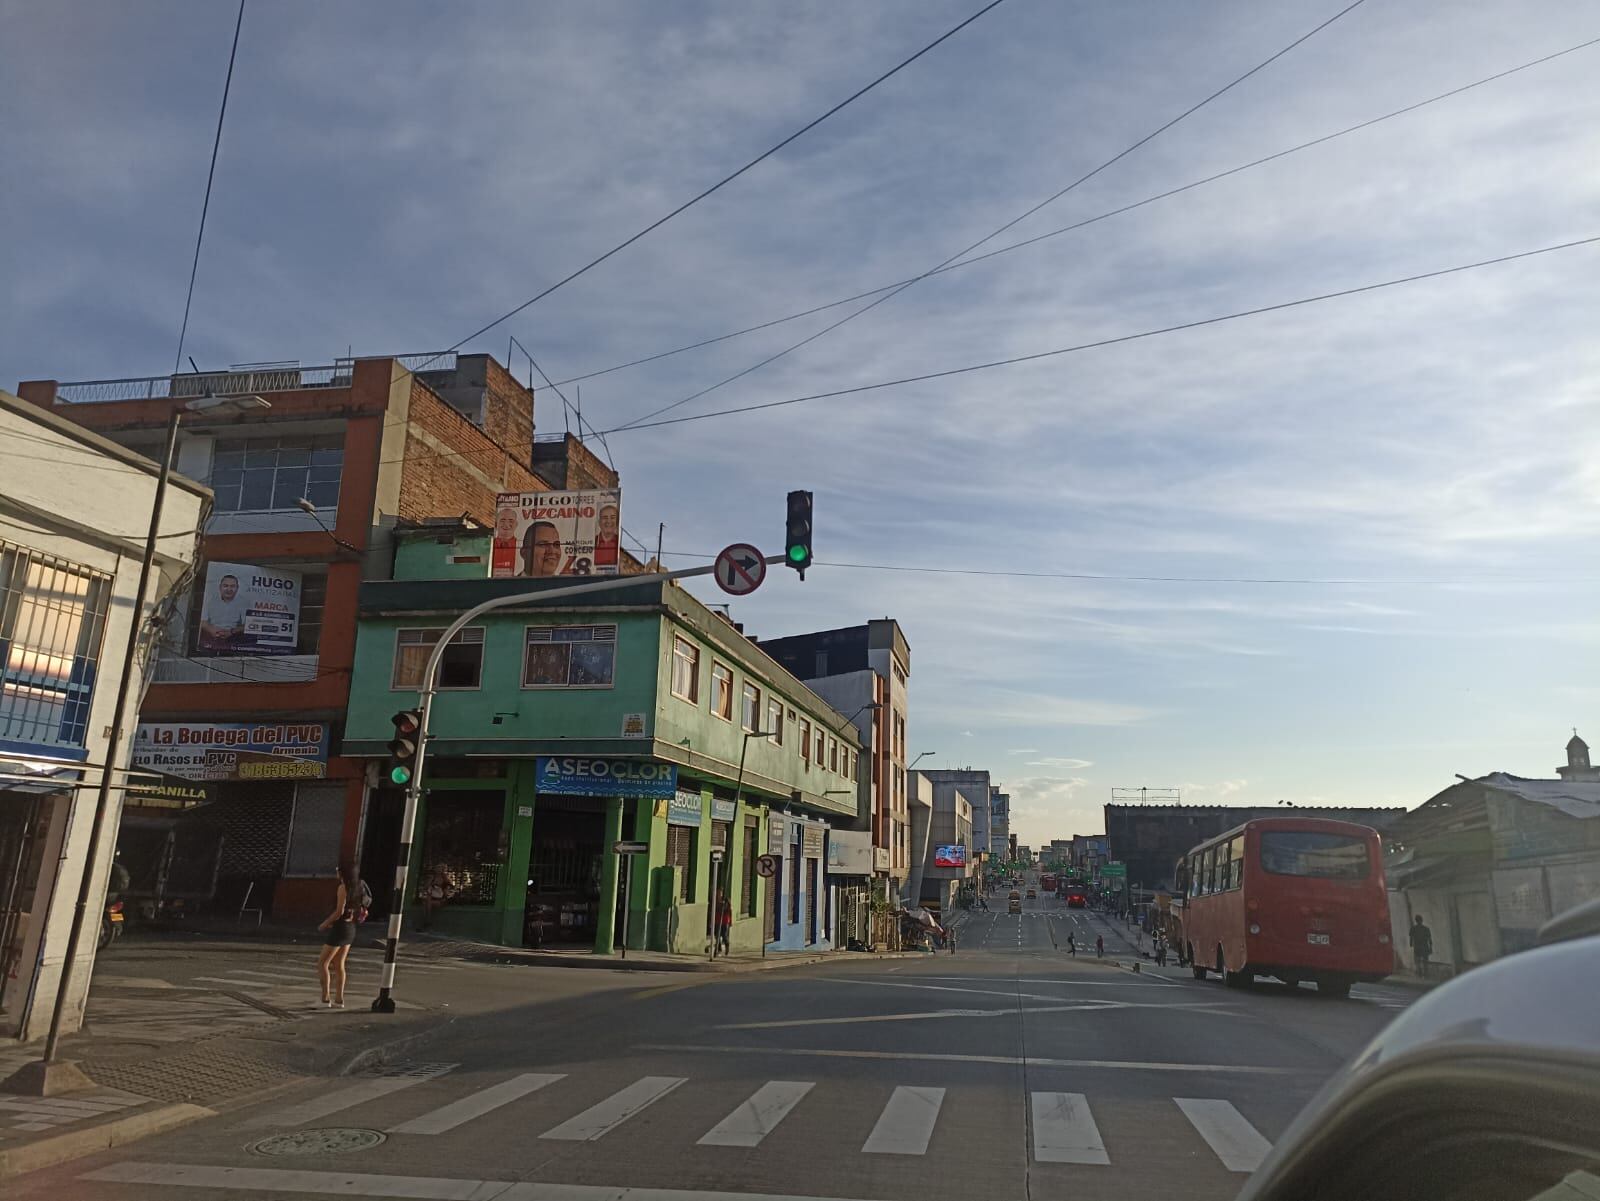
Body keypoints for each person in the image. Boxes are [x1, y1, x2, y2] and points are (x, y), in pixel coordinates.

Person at [317, 868, 359, 1008]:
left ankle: (325, 998)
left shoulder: (343, 887)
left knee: (323, 963)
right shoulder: (357, 888)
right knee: (339, 964)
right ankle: (339, 999)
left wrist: (325, 923)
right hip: (350, 927)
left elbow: (339, 911)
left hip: (340, 928)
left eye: (337, 870)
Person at [197, 572, 248, 651]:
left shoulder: (243, 602)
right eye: (225, 586)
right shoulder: (210, 600)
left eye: (232, 586)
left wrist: (231, 632)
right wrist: (211, 630)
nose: (229, 589)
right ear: (220, 587)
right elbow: (202, 621)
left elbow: (247, 625)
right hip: (211, 636)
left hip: (233, 638)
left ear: (237, 588)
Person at [715, 892, 732, 956]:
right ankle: (719, 948)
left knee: (724, 935)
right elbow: (715, 913)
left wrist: (730, 923)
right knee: (717, 936)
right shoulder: (717, 904)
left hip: (725, 922)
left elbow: (730, 915)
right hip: (717, 921)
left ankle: (727, 945)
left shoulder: (727, 906)